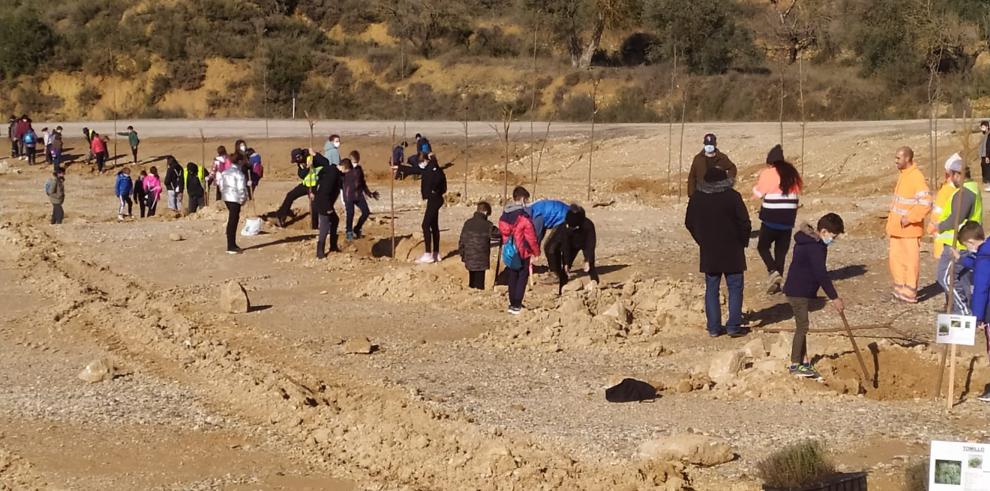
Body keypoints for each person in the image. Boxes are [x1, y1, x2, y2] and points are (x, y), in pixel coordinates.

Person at [685, 166, 751, 338]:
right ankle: (733, 326)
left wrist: (702, 240)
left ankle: (714, 327)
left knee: (712, 288)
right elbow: (745, 222)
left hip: (709, 250)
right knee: (735, 287)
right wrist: (743, 241)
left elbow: (689, 222)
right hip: (733, 249)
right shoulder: (733, 197)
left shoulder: (697, 198)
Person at [782, 213, 846, 379]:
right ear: (823, 231)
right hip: (798, 292)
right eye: (833, 236)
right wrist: (834, 297)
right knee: (802, 326)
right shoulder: (814, 247)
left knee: (802, 325)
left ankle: (803, 361)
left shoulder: (810, 242)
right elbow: (821, 274)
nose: (833, 239)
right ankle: (796, 364)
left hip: (800, 290)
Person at [935, 154, 983, 313]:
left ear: (958, 174)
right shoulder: (972, 189)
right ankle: (964, 315)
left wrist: (940, 226)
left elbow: (957, 218)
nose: (950, 179)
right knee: (961, 280)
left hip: (958, 243)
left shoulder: (965, 193)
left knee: (945, 277)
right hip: (965, 242)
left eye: (951, 175)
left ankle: (963, 311)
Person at [753, 145, 803, 295]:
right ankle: (777, 284)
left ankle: (773, 271)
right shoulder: (792, 174)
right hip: (788, 219)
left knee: (763, 247)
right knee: (780, 252)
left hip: (771, 217)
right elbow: (798, 191)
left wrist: (755, 189)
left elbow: (758, 193)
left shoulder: (768, 173)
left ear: (770, 162)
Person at [887, 146, 932, 304]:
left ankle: (910, 291)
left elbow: (926, 203)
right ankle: (900, 288)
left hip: (909, 230)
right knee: (896, 259)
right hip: (897, 229)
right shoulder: (904, 176)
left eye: (898, 158)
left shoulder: (916, 177)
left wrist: (910, 218)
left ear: (907, 158)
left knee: (910, 262)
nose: (896, 161)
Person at [397, 153, 447, 263]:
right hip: (433, 199)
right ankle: (436, 253)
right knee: (434, 225)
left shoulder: (433, 169)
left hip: (435, 199)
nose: (420, 165)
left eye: (420, 162)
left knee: (425, 225)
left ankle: (428, 254)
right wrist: (399, 167)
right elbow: (414, 170)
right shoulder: (430, 168)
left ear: (425, 160)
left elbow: (440, 180)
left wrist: (435, 190)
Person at [960, 222, 990, 402]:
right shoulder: (986, 252)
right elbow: (978, 262)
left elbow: (981, 288)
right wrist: (962, 259)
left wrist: (977, 317)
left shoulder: (985, 258)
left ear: (971, 242)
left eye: (966, 247)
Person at [498, 186, 540, 314]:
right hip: (522, 252)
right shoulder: (524, 217)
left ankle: (512, 304)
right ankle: (517, 304)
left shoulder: (504, 215)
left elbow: (504, 233)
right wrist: (536, 252)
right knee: (522, 277)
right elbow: (531, 237)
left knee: (512, 276)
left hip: (509, 251)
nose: (526, 203)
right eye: (526, 200)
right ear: (522, 199)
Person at [545, 204, 599, 294]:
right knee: (564, 270)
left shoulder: (588, 225)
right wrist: (566, 262)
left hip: (585, 243)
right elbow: (565, 245)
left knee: (590, 267)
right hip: (571, 246)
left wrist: (588, 260)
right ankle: (561, 292)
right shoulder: (565, 226)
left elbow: (590, 244)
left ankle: (596, 287)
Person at [275, 148, 328, 230]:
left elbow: (326, 162)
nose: (297, 162)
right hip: (306, 184)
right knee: (290, 195)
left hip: (316, 185)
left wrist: (315, 155)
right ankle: (281, 215)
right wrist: (307, 167)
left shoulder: (312, 157)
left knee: (314, 205)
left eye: (297, 159)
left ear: (301, 156)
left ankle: (314, 227)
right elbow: (301, 175)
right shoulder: (300, 163)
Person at [459, 201, 499, 290]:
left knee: (472, 281)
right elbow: (499, 234)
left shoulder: (467, 223)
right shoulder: (488, 225)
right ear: (485, 212)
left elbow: (461, 241)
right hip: (481, 261)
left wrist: (463, 255)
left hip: (469, 258)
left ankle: (471, 294)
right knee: (479, 284)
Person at [313, 157, 346, 259]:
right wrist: (328, 208)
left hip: (325, 202)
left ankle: (333, 246)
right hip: (323, 203)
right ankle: (320, 252)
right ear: (343, 167)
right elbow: (325, 192)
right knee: (325, 225)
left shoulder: (333, 172)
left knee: (335, 220)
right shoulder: (333, 175)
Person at [342, 150, 379, 240]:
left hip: (358, 195)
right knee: (350, 213)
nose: (355, 164)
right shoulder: (345, 171)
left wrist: (370, 193)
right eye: (354, 162)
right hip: (348, 196)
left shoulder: (359, 169)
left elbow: (363, 183)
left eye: (357, 162)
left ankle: (357, 228)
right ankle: (349, 232)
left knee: (366, 212)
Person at [687, 133, 737, 198]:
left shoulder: (722, 157)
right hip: (702, 193)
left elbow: (732, 168)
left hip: (719, 192)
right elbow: (692, 177)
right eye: (707, 144)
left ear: (715, 144)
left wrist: (728, 181)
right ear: (704, 145)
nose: (709, 147)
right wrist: (691, 194)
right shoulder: (698, 159)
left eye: (711, 144)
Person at [219, 162, 249, 254]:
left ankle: (232, 244)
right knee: (233, 220)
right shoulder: (239, 174)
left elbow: (221, 186)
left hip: (227, 198)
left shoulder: (225, 172)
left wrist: (224, 195)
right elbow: (241, 189)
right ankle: (231, 246)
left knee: (232, 219)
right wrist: (243, 200)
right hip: (235, 199)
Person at [930, 163, 957, 260]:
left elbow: (937, 213)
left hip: (944, 235)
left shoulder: (947, 190)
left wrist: (932, 228)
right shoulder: (954, 189)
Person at [980, 121, 990, 192]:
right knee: (985, 170)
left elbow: (988, 146)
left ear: (987, 127)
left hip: (986, 155)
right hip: (983, 155)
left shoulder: (988, 135)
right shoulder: (983, 135)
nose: (982, 128)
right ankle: (987, 183)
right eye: (981, 127)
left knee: (988, 170)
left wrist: (987, 156)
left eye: (983, 127)